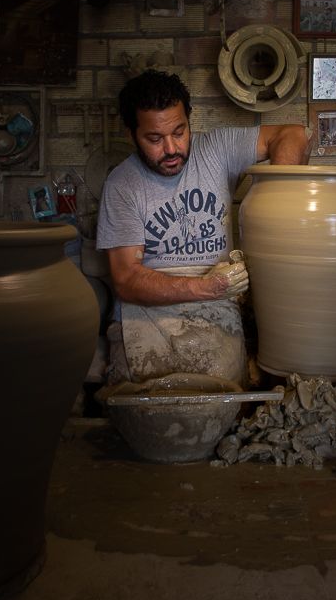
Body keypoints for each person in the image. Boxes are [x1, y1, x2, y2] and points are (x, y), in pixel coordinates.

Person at [97, 70, 310, 387]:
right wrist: (207, 287)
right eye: (154, 139)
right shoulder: (122, 185)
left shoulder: (218, 149)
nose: (171, 148)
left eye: (179, 132)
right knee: (146, 396)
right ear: (131, 134)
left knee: (221, 392)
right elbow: (127, 281)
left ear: (189, 120)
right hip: (146, 314)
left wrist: (283, 199)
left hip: (216, 309)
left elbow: (295, 135)